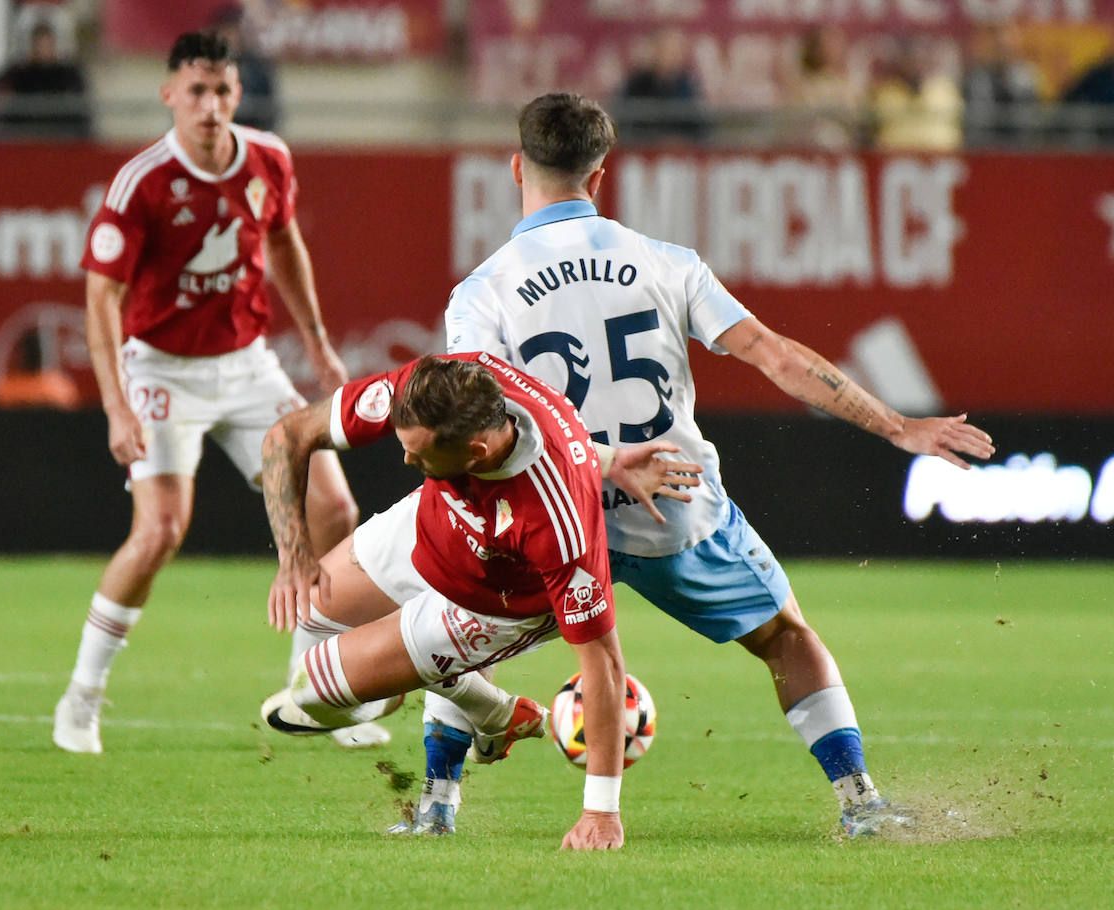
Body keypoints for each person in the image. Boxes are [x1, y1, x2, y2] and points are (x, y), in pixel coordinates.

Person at [441, 92, 997, 838]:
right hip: (673, 507)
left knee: (460, 625)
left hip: (557, 509)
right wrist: (895, 426)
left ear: (516, 167)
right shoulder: (668, 265)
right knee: (785, 638)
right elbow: (775, 356)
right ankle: (860, 801)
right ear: (600, 177)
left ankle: (436, 807)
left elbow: (478, 412)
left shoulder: (483, 292)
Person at [52, 31, 363, 754]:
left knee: (335, 507)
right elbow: (101, 299)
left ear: (238, 95)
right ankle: (82, 696)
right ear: (169, 95)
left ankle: (309, 689)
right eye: (196, 91)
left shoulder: (269, 159)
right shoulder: (143, 183)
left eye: (222, 90)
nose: (211, 106)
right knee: (160, 530)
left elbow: (285, 243)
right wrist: (116, 404)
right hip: (161, 370)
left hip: (246, 364)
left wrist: (315, 340)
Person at [257, 353, 702, 848]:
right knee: (312, 617)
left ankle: (437, 789)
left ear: (476, 452)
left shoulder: (557, 522)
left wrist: (601, 811)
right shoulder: (436, 386)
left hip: (499, 602)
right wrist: (295, 552)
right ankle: (490, 710)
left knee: (307, 690)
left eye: (420, 455)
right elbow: (287, 435)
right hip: (432, 525)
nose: (406, 460)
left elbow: (603, 662)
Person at [0, 22, 91, 139]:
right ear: (32, 46)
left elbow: (79, 109)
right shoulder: (19, 73)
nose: (43, 49)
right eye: (39, 44)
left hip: (60, 139)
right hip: (24, 138)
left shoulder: (68, 74)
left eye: (47, 44)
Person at [612, 28, 710, 146]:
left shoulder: (688, 86)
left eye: (674, 52)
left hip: (679, 156)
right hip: (640, 153)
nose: (670, 57)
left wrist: (679, 141)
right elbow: (623, 125)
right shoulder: (636, 85)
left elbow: (701, 130)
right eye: (665, 50)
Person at [870, 38, 963, 151]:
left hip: (942, 157)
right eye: (910, 61)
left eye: (920, 60)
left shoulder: (944, 89)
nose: (916, 66)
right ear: (901, 63)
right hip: (896, 157)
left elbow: (952, 131)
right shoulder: (888, 93)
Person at [960, 23, 1041, 147]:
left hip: (1021, 147)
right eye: (998, 47)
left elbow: (1029, 118)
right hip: (984, 148)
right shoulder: (977, 78)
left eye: (1007, 48)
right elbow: (977, 120)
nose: (1002, 53)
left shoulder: (1025, 77)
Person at [210, 4, 281, 132]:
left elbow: (271, 110)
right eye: (225, 31)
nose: (229, 37)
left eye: (234, 31)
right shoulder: (204, 66)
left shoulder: (258, 67)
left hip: (251, 134)